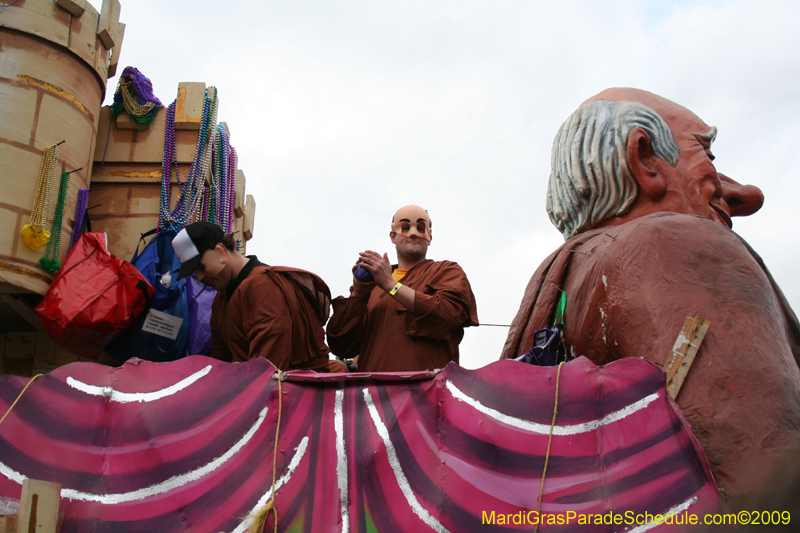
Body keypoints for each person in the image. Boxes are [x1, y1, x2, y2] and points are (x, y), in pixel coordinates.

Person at [501, 88, 800, 509]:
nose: (743, 195)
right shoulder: (679, 245)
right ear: (643, 159)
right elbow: (760, 479)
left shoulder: (552, 278)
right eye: (708, 155)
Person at [172, 221, 343, 372]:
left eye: (201, 267)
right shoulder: (222, 298)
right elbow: (221, 362)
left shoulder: (262, 286)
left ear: (220, 251)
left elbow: (269, 367)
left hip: (283, 400)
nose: (200, 277)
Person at [326, 205, 478, 372]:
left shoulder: (446, 271)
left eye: (421, 228)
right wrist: (358, 294)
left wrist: (390, 285)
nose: (413, 233)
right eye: (405, 227)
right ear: (393, 236)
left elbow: (449, 313)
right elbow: (341, 345)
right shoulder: (373, 287)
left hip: (427, 393)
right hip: (376, 393)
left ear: (430, 237)